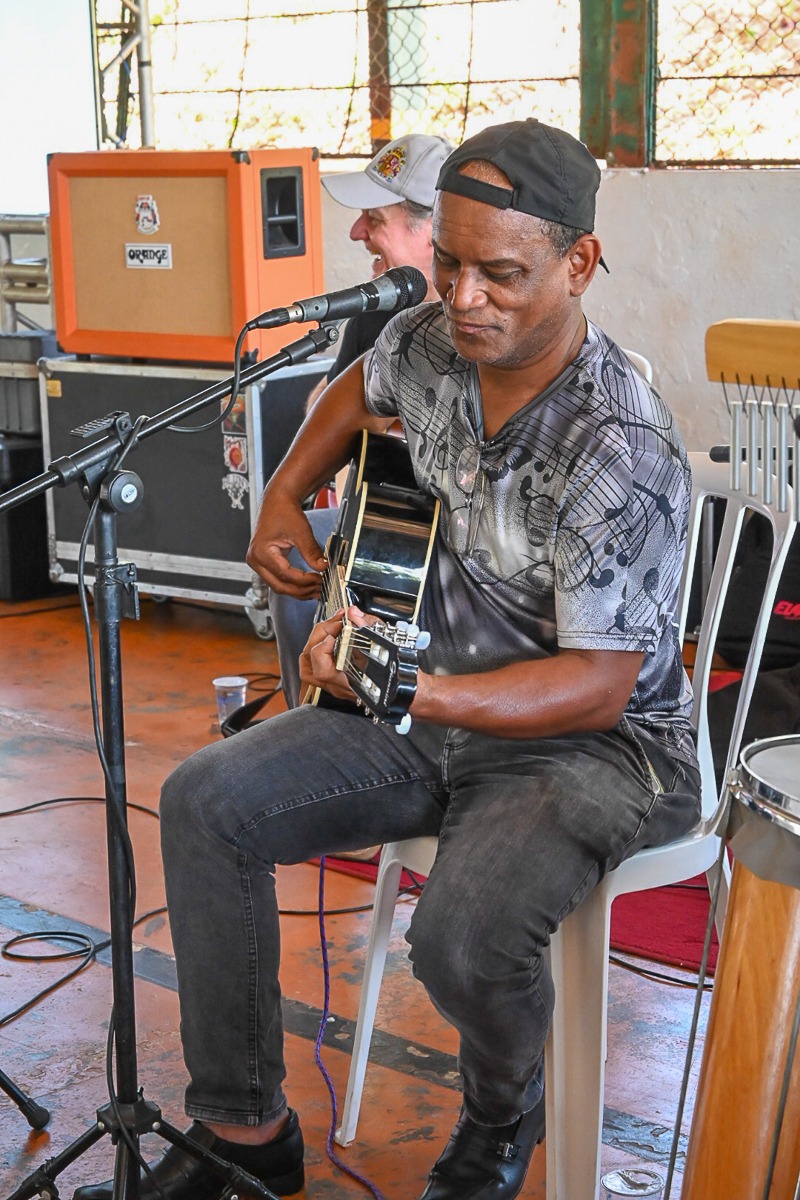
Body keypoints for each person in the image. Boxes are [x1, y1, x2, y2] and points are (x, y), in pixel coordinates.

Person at [75, 118, 702, 1200]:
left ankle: (500, 1115)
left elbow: (600, 685)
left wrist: (410, 686)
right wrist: (283, 493)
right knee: (204, 802)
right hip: (430, 706)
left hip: (596, 748)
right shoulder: (430, 341)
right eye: (448, 263)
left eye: (500, 274)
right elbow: (358, 389)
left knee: (458, 941)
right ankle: (245, 1130)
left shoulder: (618, 441)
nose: (463, 296)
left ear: (578, 263)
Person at [273, 131, 454, 707]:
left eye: (374, 219)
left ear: (433, 229)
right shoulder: (378, 313)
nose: (356, 232)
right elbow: (324, 406)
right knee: (297, 557)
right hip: (379, 527)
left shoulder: (486, 325)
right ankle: (310, 715)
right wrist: (344, 412)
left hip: (457, 546)